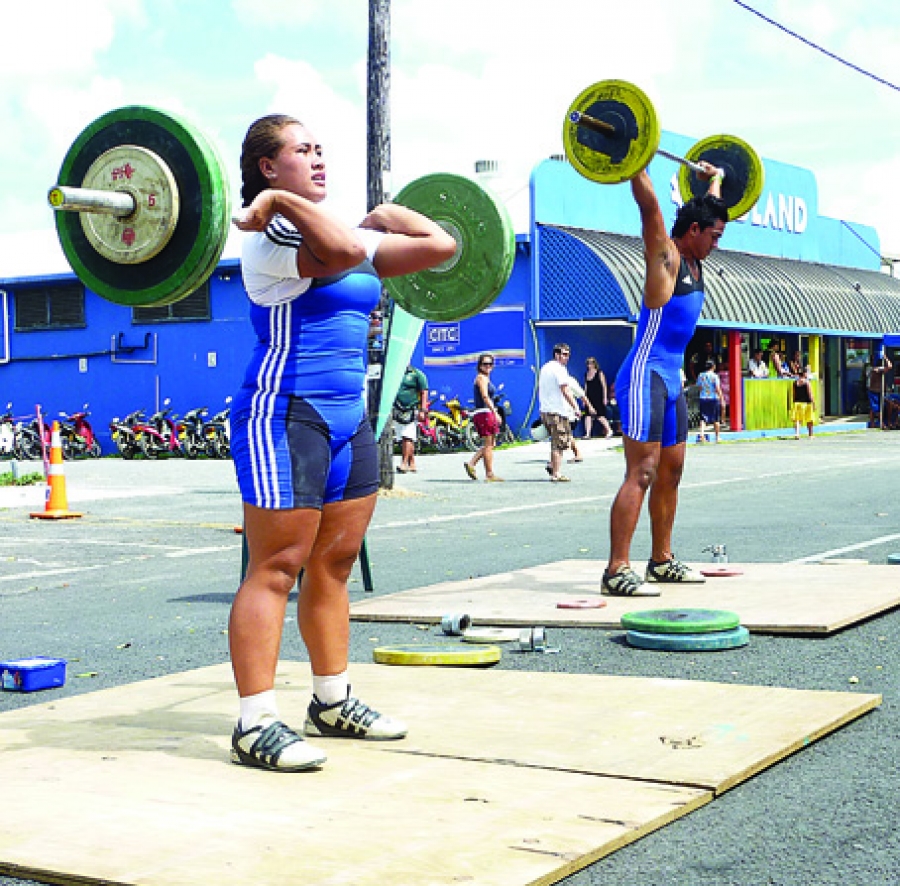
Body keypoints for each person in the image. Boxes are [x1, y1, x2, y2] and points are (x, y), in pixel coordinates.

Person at [228, 113, 456, 772]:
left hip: (348, 419)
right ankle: (253, 723)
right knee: (275, 568)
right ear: (269, 168)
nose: (319, 158)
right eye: (302, 151)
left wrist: (390, 211)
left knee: (334, 563)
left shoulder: (338, 229)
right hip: (284, 414)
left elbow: (441, 246)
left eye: (321, 148)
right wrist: (277, 205)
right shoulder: (268, 238)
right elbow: (349, 253)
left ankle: (331, 701)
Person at [602, 162, 727, 597]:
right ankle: (617, 569)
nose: (717, 243)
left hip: (672, 377)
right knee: (643, 470)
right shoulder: (668, 257)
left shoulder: (697, 257)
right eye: (714, 235)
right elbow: (650, 205)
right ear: (693, 229)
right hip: (644, 375)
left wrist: (718, 178)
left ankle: (661, 561)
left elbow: (712, 205)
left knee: (672, 472)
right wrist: (637, 162)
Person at [538, 343, 582, 482]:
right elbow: (565, 390)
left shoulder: (545, 367)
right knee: (559, 442)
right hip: (557, 411)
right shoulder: (559, 369)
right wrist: (575, 407)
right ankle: (556, 473)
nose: (566, 357)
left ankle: (552, 465)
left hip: (545, 410)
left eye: (568, 354)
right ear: (556, 354)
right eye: (563, 354)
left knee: (558, 440)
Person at [465, 353, 503, 482]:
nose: (488, 366)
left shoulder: (486, 378)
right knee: (488, 444)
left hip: (487, 412)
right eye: (484, 364)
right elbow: (485, 396)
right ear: (480, 365)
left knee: (491, 444)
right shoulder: (481, 378)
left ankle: (472, 463)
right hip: (484, 413)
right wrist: (495, 412)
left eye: (490, 364)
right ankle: (489, 473)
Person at [392, 364, 428, 473]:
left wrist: (423, 410)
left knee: (407, 436)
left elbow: (424, 391)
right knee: (403, 437)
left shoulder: (416, 374)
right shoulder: (394, 372)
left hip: (411, 409)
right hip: (397, 408)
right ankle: (412, 463)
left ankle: (403, 463)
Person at [696, 359, 726, 443]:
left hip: (703, 398)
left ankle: (701, 435)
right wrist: (721, 398)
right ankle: (717, 437)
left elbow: (699, 387)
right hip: (713, 398)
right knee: (716, 418)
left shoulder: (701, 375)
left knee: (703, 418)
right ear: (713, 367)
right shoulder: (714, 376)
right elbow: (717, 388)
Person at [583, 357, 612, 438]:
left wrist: (605, 397)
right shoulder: (586, 374)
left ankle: (609, 430)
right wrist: (584, 398)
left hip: (598, 397)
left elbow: (604, 386)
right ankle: (587, 433)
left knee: (599, 415)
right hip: (589, 397)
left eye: (591, 363)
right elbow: (586, 387)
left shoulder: (599, 373)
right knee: (587, 415)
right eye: (588, 363)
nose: (590, 365)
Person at [868, 350, 893, 428]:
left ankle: (886, 422)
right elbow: (889, 366)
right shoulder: (875, 370)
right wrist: (886, 358)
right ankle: (879, 423)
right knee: (875, 408)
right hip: (873, 391)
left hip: (880, 391)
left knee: (885, 405)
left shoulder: (878, 370)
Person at [791, 366, 815, 438]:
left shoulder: (795, 383)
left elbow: (794, 394)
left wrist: (794, 402)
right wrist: (813, 403)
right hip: (807, 403)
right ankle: (810, 434)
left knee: (797, 419)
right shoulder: (807, 382)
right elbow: (810, 394)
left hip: (797, 403)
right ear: (804, 374)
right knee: (809, 419)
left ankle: (797, 433)